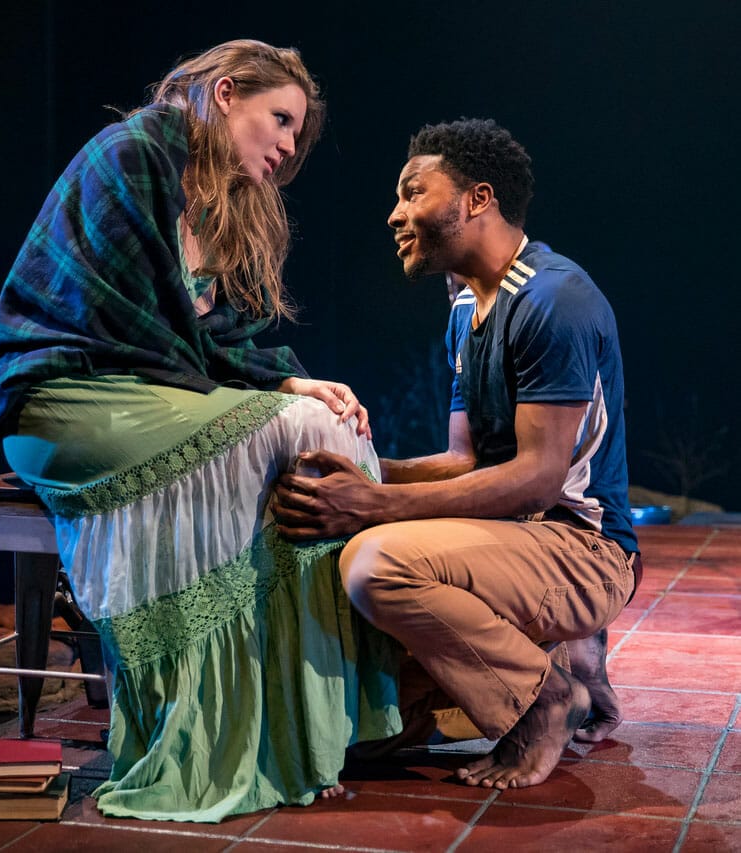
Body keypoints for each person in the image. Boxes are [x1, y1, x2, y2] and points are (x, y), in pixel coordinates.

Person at [0, 40, 401, 822]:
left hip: (154, 397)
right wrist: (274, 392)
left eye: (297, 133)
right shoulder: (131, 155)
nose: (288, 146)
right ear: (226, 92)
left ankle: (293, 735)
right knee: (298, 427)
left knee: (326, 427)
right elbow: (131, 330)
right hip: (66, 400)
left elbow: (214, 342)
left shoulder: (219, 197)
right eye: (280, 120)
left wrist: (287, 379)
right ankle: (199, 740)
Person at [273, 118, 641, 789]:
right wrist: (363, 472)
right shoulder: (464, 309)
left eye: (413, 192)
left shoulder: (552, 299)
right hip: (514, 539)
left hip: (583, 548)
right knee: (361, 734)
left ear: (477, 199)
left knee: (375, 563)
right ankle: (554, 667)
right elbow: (463, 460)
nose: (394, 214)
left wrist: (374, 505)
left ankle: (545, 699)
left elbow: (537, 479)